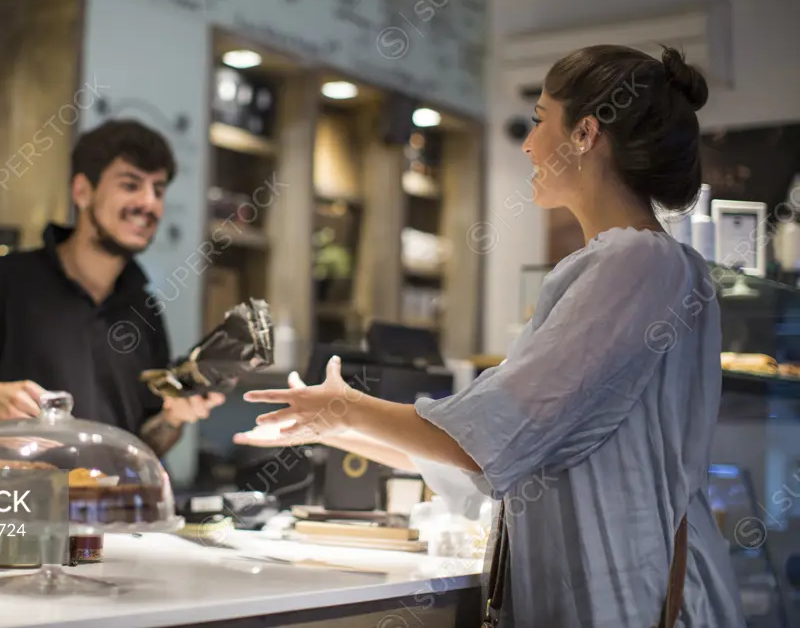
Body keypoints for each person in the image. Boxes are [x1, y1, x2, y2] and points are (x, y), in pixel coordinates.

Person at [235, 46, 746, 627]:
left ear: (584, 134)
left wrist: (347, 407)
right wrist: (339, 421)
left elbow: (497, 432)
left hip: (626, 600)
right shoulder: (638, 264)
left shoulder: (635, 262)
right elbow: (495, 460)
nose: (527, 145)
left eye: (538, 120)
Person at [0, 119, 223, 457]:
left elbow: (142, 447)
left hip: (112, 505)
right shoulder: (2, 282)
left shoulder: (145, 310)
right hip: (12, 503)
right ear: (82, 191)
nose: (149, 203)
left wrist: (173, 418)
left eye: (158, 189)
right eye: (130, 184)